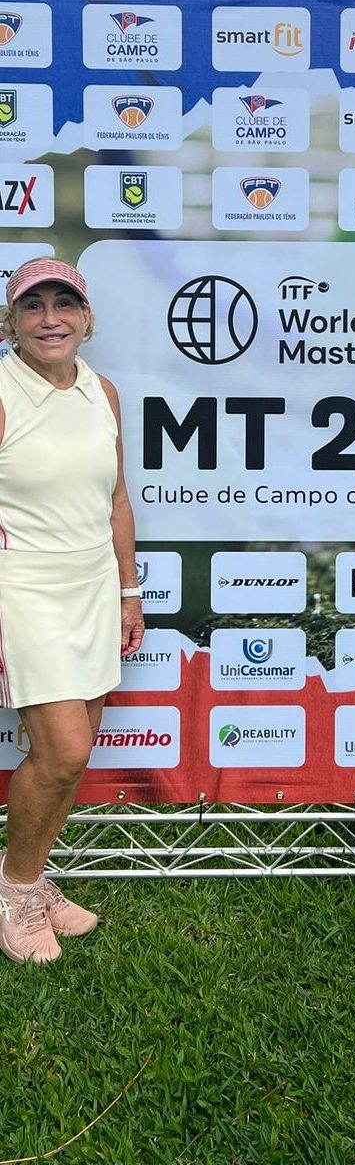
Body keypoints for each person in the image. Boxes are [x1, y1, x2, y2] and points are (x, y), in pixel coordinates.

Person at [0, 256, 144, 965]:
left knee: (71, 752)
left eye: (65, 304)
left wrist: (128, 592)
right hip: (23, 590)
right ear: (11, 323)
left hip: (92, 587)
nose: (50, 319)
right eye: (33, 306)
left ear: (87, 319)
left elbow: (115, 500)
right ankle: (16, 893)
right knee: (64, 752)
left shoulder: (102, 390)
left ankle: (29, 876)